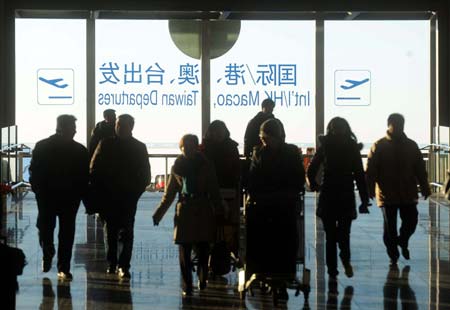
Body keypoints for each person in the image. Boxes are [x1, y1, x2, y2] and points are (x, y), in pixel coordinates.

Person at [152, 134, 222, 297]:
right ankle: (189, 283)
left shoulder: (193, 165)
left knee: (201, 248)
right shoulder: (189, 165)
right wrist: (159, 213)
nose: (189, 149)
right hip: (191, 210)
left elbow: (214, 189)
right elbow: (169, 193)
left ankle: (198, 280)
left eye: (191, 146)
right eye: (186, 146)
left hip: (195, 209)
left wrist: (219, 208)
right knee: (187, 249)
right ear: (181, 147)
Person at [246, 119, 305, 301]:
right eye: (263, 138)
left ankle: (269, 274)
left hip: (271, 204)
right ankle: (279, 277)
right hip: (281, 203)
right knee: (284, 240)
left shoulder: (260, 154)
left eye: (266, 138)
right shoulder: (290, 153)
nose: (264, 142)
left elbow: (254, 179)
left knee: (272, 240)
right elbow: (297, 178)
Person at [307, 117, 369, 279]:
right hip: (346, 194)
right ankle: (345, 259)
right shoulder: (352, 148)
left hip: (328, 193)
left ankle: (332, 271)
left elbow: (312, 168)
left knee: (330, 236)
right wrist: (364, 199)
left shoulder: (325, 147)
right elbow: (359, 175)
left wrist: (314, 185)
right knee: (344, 234)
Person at [90, 114, 150, 279]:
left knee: (119, 230)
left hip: (120, 195)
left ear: (131, 127)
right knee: (117, 230)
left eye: (122, 125)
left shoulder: (107, 144)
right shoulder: (136, 147)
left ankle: (118, 264)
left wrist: (133, 193)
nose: (119, 128)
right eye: (118, 125)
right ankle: (118, 264)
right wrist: (134, 191)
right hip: (119, 195)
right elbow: (145, 176)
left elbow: (94, 169)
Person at [29, 115, 89, 281]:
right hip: (69, 198)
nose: (75, 131)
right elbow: (84, 178)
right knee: (66, 233)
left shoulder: (42, 147)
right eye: (73, 128)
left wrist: (38, 190)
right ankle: (62, 266)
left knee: (46, 228)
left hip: (48, 197)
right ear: (63, 128)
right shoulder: (80, 151)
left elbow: (33, 172)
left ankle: (50, 254)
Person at [366, 113, 430, 264]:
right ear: (389, 125)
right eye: (397, 125)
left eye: (401, 125)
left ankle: (402, 240)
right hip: (387, 194)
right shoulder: (379, 146)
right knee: (390, 227)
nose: (399, 128)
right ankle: (393, 251)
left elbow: (420, 168)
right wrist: (369, 188)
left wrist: (425, 186)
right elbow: (371, 170)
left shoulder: (411, 145)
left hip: (407, 192)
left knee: (411, 221)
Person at [200, 120, 240, 258]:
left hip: (208, 191)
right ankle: (228, 247)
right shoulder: (232, 147)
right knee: (227, 221)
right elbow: (235, 169)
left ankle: (209, 250)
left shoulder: (204, 148)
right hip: (228, 189)